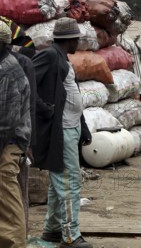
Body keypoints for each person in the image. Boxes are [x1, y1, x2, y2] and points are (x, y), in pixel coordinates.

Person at [35, 18, 92, 248]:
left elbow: (71, 94)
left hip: (72, 127)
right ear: (69, 39)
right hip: (61, 130)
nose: (78, 41)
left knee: (59, 181)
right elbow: (28, 81)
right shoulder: (49, 55)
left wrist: (83, 127)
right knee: (69, 182)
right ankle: (70, 235)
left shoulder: (63, 58)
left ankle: (52, 230)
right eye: (77, 38)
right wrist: (44, 108)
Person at [1, 17, 37, 234]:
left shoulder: (9, 70)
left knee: (8, 195)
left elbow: (6, 120)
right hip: (9, 139)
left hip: (9, 142)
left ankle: (15, 240)